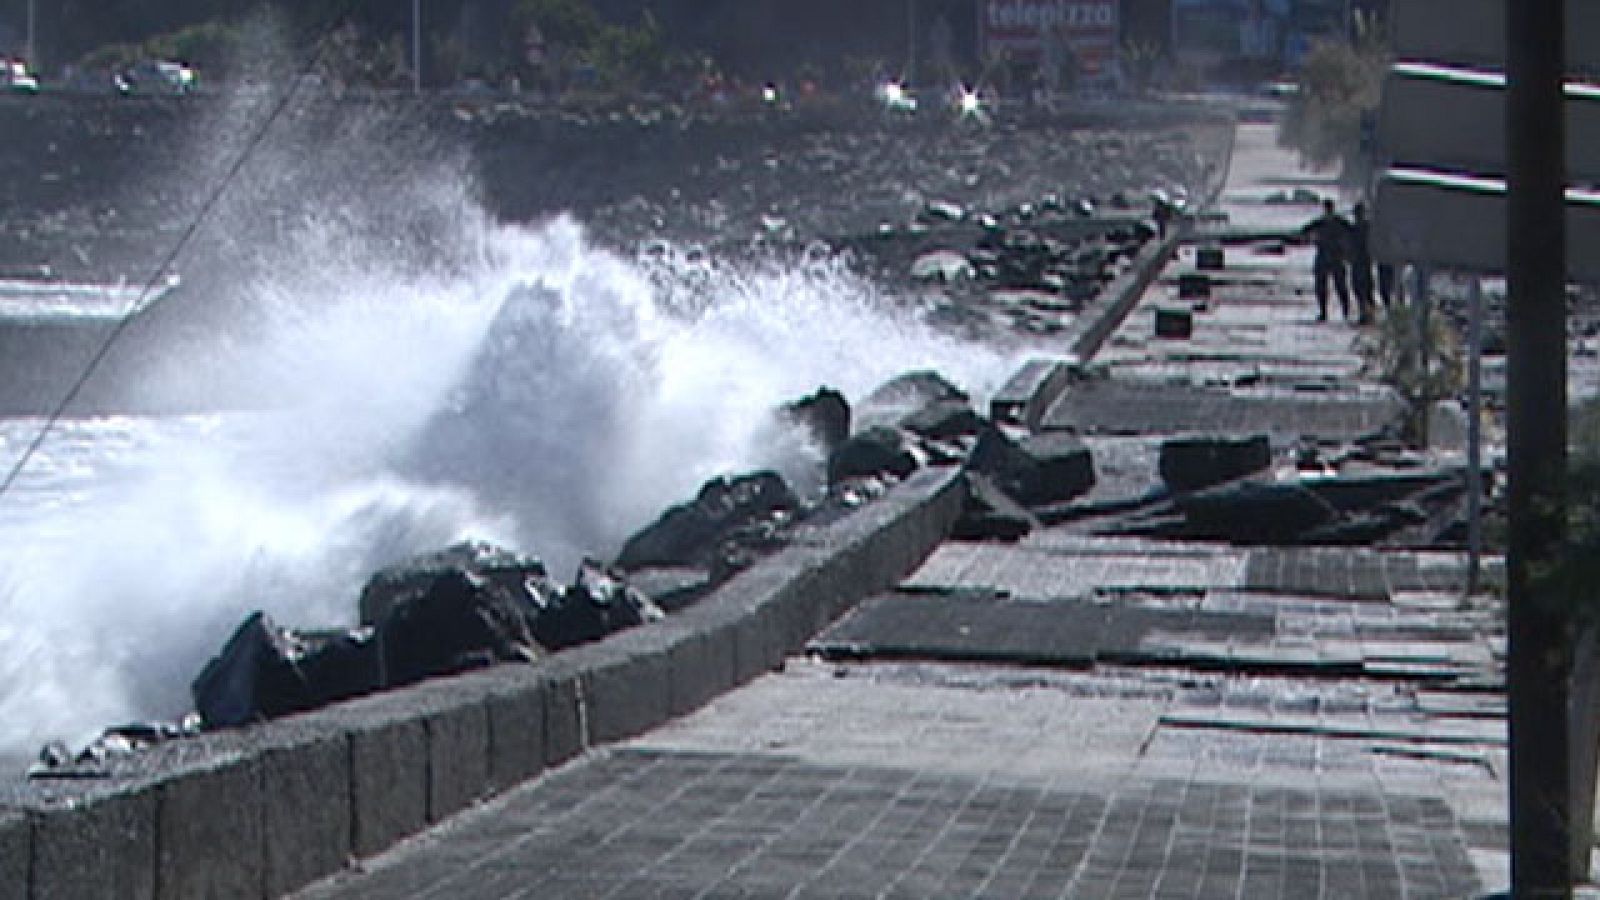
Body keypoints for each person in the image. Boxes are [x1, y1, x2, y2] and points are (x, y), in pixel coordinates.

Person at [1300, 199, 1353, 322]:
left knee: (1340, 286)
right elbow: (1304, 231)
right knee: (1322, 287)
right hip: (1326, 256)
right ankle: (1325, 312)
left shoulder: (1338, 223)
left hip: (1334, 257)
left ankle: (1344, 311)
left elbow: (1351, 235)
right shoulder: (1324, 222)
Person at [1348, 202, 1376, 324]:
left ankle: (1367, 314)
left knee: (1363, 289)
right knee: (1361, 289)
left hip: (1362, 262)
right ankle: (1366, 314)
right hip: (1360, 262)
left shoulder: (1361, 228)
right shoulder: (1364, 228)